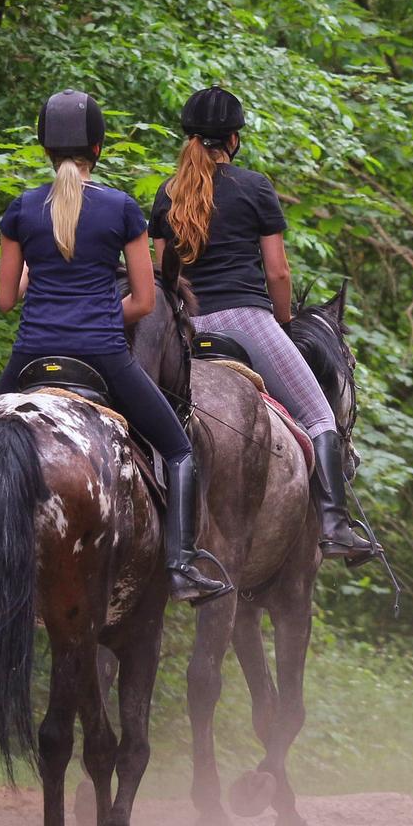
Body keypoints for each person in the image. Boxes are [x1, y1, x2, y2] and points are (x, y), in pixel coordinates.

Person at [0, 89, 231, 602]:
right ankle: (181, 565)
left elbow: (6, 301)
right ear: (97, 149)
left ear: (44, 149)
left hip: (30, 354)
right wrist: (98, 315)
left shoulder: (20, 210)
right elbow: (144, 303)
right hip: (102, 354)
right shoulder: (122, 209)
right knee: (179, 449)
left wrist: (41, 277)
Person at [147, 86, 380, 564]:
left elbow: (165, 277)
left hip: (187, 328)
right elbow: (278, 271)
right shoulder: (254, 187)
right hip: (245, 319)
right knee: (318, 415)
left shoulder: (167, 193)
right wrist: (283, 321)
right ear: (233, 138)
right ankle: (335, 526)